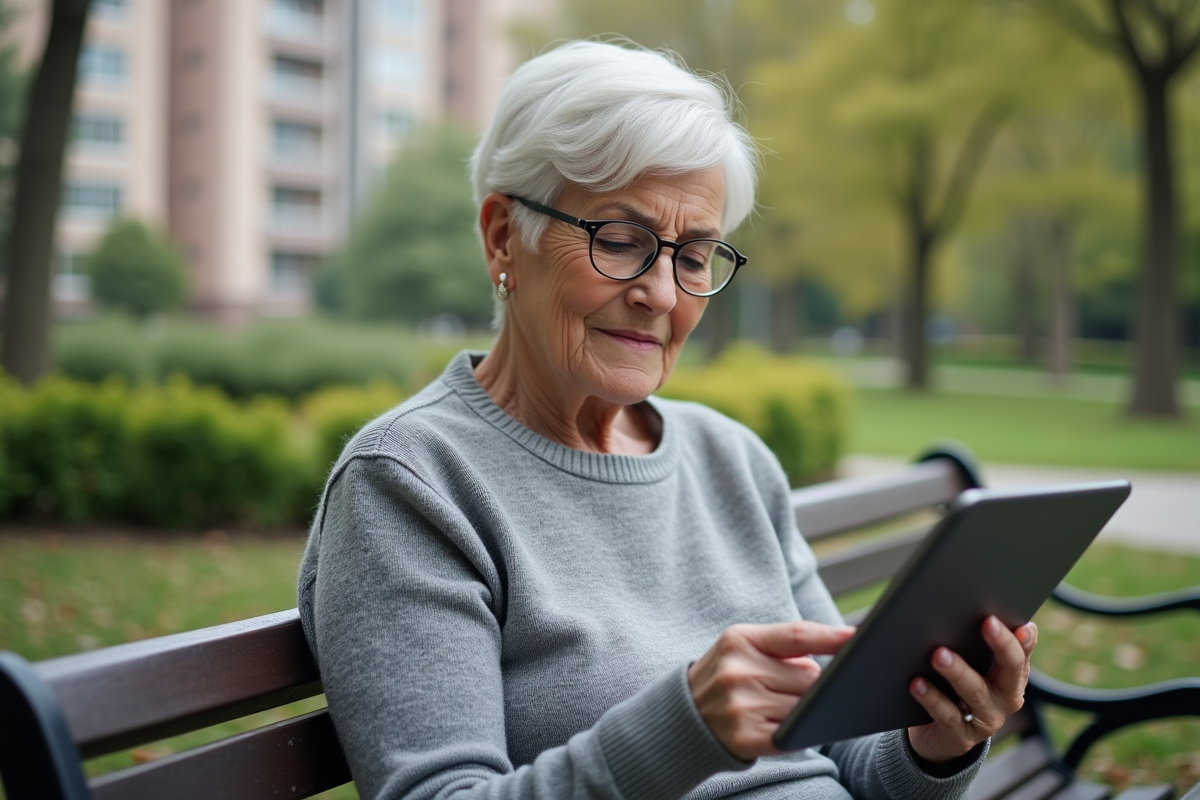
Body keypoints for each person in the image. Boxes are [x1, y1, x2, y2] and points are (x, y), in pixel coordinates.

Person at [297, 41, 1037, 800]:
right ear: (500, 237)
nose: (660, 292)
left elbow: (849, 760)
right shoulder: (411, 482)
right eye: (620, 241)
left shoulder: (732, 459)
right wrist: (683, 728)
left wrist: (934, 743)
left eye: (693, 257)